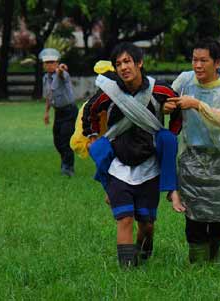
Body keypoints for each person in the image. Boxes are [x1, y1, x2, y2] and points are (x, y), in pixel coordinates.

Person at [81, 42, 184, 268]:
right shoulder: (109, 94)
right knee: (125, 219)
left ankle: (144, 256)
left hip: (149, 166)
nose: (123, 67)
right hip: (119, 166)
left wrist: (170, 134)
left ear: (139, 63)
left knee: (146, 224)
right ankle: (128, 271)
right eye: (118, 64)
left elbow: (178, 110)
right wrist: (91, 136)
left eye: (127, 62)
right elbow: (89, 110)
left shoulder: (159, 91)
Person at [165, 38, 220, 263]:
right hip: (193, 157)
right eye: (194, 59)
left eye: (203, 60)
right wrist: (165, 105)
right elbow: (164, 97)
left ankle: (214, 248)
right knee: (193, 214)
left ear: (216, 62)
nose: (197, 65)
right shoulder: (185, 80)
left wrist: (197, 105)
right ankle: (197, 263)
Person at [40, 48, 78, 177]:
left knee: (65, 139)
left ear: (56, 63)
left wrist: (61, 69)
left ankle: (68, 168)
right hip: (58, 112)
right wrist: (46, 113)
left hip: (69, 111)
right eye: (47, 63)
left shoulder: (62, 74)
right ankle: (65, 162)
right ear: (44, 65)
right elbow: (49, 96)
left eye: (52, 62)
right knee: (57, 140)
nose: (49, 65)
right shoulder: (46, 78)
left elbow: (61, 72)